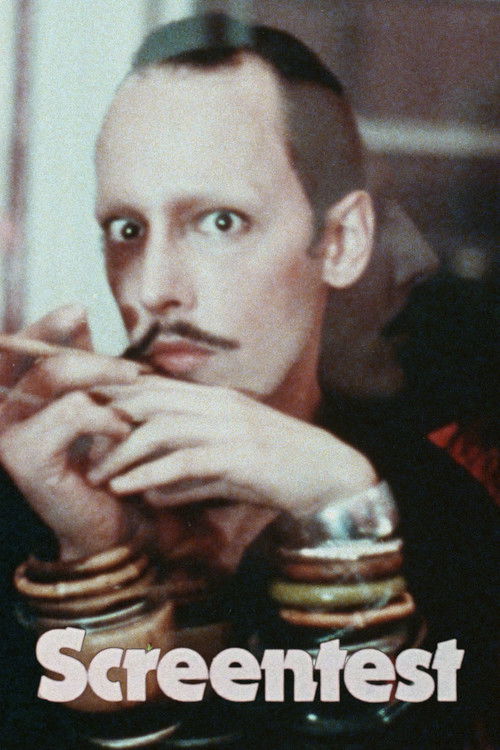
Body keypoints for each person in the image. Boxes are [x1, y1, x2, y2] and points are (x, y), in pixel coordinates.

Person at [0, 14, 497, 750]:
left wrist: (341, 524)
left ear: (341, 241)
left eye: (220, 222)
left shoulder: (450, 519)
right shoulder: (39, 490)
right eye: (127, 229)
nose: (154, 289)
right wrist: (91, 559)